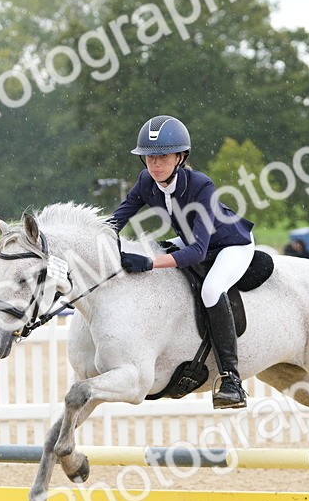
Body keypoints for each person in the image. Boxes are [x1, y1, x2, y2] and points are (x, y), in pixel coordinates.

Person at [108, 115, 254, 410]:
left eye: (162, 157)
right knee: (157, 247)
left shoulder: (201, 185)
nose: (155, 165)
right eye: (149, 158)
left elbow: (199, 251)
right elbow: (115, 221)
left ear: (180, 157)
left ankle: (231, 380)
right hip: (193, 242)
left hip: (230, 245)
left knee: (211, 290)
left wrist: (149, 263)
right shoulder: (146, 182)